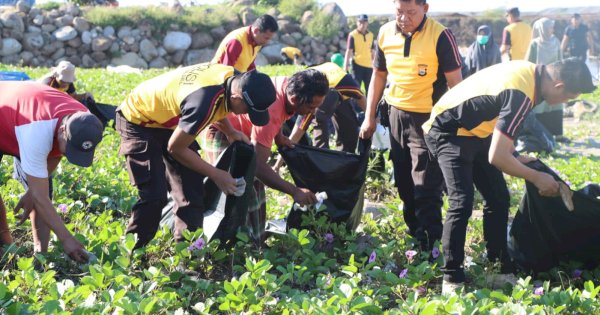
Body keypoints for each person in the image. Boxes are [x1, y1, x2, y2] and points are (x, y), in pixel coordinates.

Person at [421, 59, 596, 294]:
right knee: (462, 201)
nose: (564, 103)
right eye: (568, 98)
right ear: (558, 86)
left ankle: (498, 268)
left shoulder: (531, 73)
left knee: (499, 198)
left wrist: (513, 154)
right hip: (448, 130)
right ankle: (452, 278)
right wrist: (535, 177)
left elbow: (495, 116)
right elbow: (496, 158)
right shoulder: (522, 93)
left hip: (476, 131)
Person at [116, 63, 276, 249]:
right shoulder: (202, 101)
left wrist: (231, 132)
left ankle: (188, 254)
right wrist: (217, 175)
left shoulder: (235, 79)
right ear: (236, 97)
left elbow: (217, 107)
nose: (247, 114)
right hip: (138, 120)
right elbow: (176, 148)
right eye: (248, 109)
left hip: (172, 121)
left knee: (191, 191)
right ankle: (133, 253)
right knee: (154, 195)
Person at [359, 0, 463, 251]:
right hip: (395, 114)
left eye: (411, 12)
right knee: (404, 182)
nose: (404, 18)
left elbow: (456, 83)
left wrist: (458, 126)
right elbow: (379, 75)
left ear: (425, 8)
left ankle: (431, 243)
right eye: (399, 12)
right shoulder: (384, 33)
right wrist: (369, 116)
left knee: (426, 184)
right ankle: (415, 234)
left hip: (428, 118)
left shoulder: (441, 36)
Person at [201, 69, 329, 242]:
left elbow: (279, 116)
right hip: (221, 130)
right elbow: (258, 167)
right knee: (239, 189)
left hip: (243, 135)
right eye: (310, 107)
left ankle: (257, 241)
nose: (312, 112)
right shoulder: (272, 113)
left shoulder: (289, 85)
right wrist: (294, 191)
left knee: (256, 189)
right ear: (295, 100)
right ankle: (229, 244)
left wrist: (279, 137)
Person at [0, 81, 104, 263]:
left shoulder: (84, 121)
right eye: (70, 148)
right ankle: (4, 241)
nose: (69, 154)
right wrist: (67, 239)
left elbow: (57, 153)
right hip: (9, 115)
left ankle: (41, 256)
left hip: (18, 119)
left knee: (41, 192)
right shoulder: (37, 130)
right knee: (41, 196)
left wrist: (33, 192)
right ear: (62, 131)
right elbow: (40, 198)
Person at [290, 61, 367, 153]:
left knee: (349, 129)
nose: (313, 110)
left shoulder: (347, 85)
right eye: (314, 108)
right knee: (319, 129)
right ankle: (322, 158)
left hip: (337, 84)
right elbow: (297, 132)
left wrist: (371, 118)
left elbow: (361, 97)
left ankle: (345, 158)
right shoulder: (308, 99)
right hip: (312, 80)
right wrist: (277, 165)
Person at [523, 18, 565, 141]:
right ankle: (542, 136)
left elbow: (560, 60)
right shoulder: (535, 44)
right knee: (540, 106)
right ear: (542, 29)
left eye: (552, 27)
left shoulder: (556, 41)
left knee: (556, 105)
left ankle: (558, 135)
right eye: (549, 27)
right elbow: (528, 63)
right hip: (540, 80)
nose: (552, 30)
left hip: (555, 79)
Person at [212, 14, 278, 72]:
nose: (267, 41)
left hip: (236, 79)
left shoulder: (257, 40)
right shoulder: (236, 42)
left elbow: (249, 64)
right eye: (266, 38)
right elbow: (225, 72)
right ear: (256, 31)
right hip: (217, 81)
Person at [343, 14, 375, 91]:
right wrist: (345, 67)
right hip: (357, 65)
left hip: (369, 66)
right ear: (357, 23)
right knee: (356, 89)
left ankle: (368, 103)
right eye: (360, 22)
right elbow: (349, 51)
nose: (362, 24)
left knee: (370, 89)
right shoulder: (352, 35)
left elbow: (372, 51)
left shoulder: (371, 35)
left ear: (367, 23)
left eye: (364, 22)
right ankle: (355, 103)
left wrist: (375, 65)